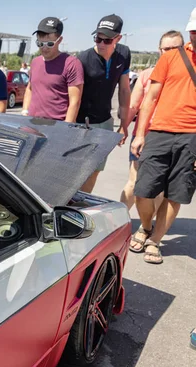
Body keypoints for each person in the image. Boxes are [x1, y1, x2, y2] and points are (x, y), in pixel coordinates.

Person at [129, 10, 196, 264]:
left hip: (192, 137)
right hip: (159, 131)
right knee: (142, 191)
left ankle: (155, 241)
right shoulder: (171, 58)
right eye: (193, 31)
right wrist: (139, 134)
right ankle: (146, 226)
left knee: (176, 193)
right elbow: (151, 98)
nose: (195, 35)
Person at [120, 30, 184, 211]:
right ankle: (119, 222)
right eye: (166, 49)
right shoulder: (146, 75)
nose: (170, 53)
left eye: (175, 48)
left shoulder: (187, 76)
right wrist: (123, 127)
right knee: (134, 183)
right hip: (143, 136)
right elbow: (134, 104)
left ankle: (145, 227)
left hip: (173, 137)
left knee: (159, 188)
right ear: (159, 50)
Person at [76, 14, 132, 193]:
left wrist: (123, 125)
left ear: (118, 38)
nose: (101, 44)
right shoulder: (83, 59)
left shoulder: (124, 54)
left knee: (94, 171)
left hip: (105, 122)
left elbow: (124, 90)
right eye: (98, 38)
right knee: (77, 170)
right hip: (81, 123)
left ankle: (80, 207)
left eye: (107, 40)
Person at [21, 17, 84, 122]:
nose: (44, 48)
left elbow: (75, 102)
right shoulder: (35, 62)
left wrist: (66, 129)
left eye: (49, 44)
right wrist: (24, 111)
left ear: (59, 40)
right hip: (32, 124)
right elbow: (30, 88)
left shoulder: (71, 64)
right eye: (40, 44)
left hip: (57, 126)